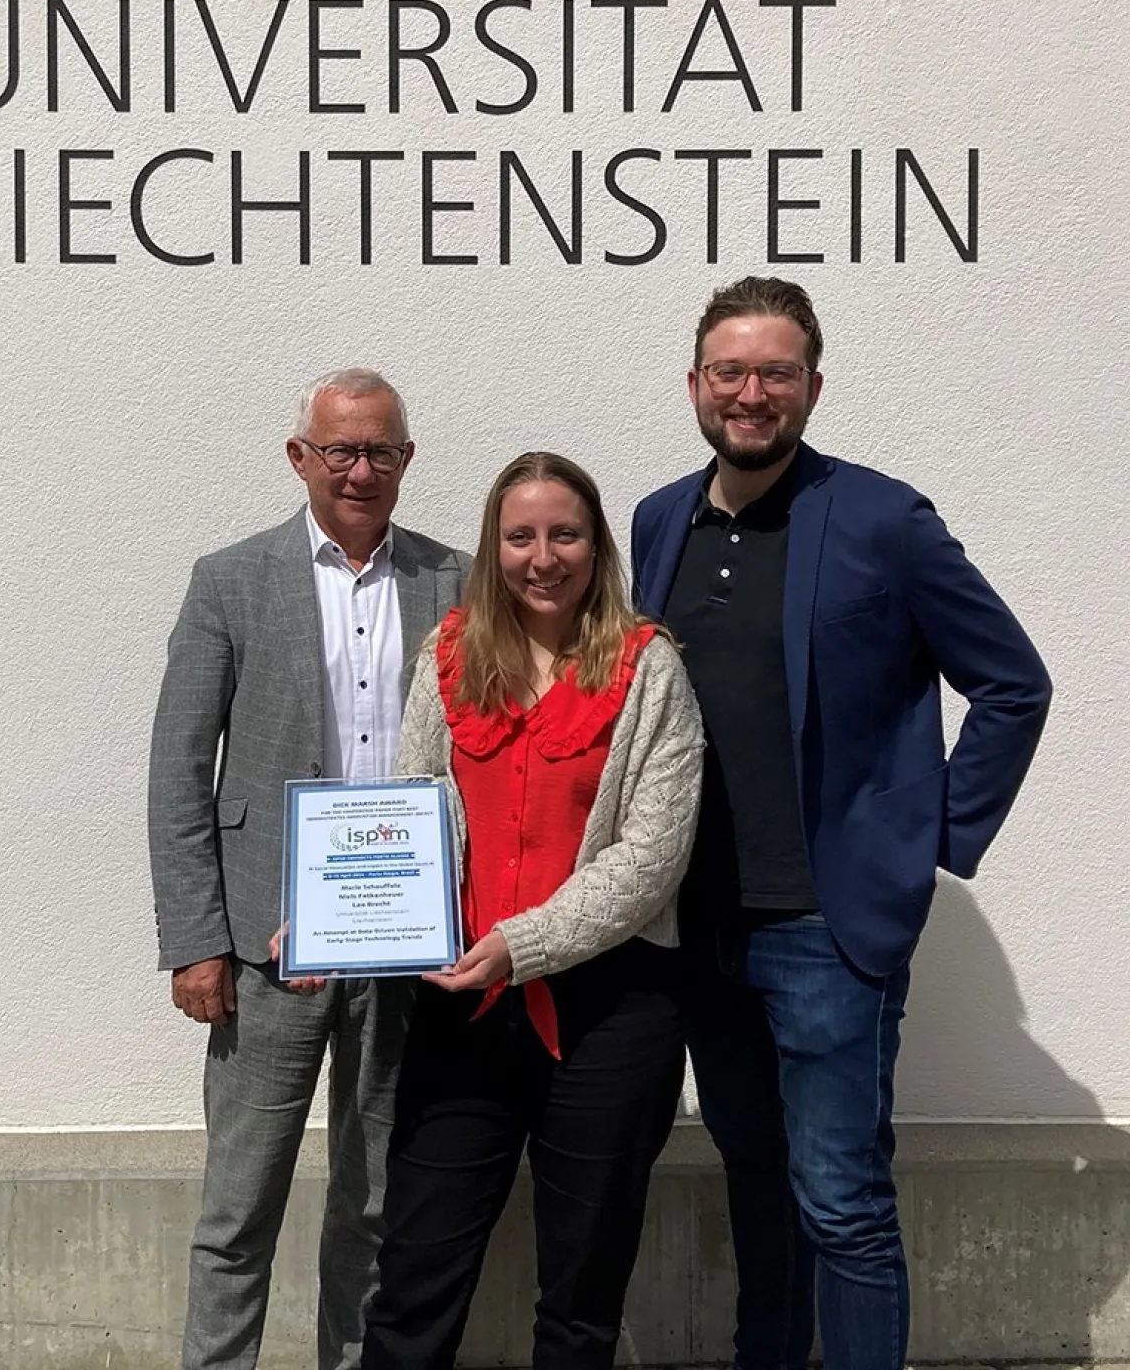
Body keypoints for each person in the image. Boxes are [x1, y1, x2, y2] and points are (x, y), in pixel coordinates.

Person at [630, 276, 1053, 1370]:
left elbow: (1013, 684)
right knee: (754, 1185)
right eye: (731, 370)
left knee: (842, 1202)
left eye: (776, 372)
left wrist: (936, 836)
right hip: (701, 928)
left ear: (813, 386)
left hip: (826, 929)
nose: (752, 393)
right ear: (695, 384)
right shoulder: (657, 520)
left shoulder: (885, 519)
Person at [148, 367, 470, 1370]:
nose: (361, 469)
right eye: (342, 450)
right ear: (302, 458)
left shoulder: (456, 582)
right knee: (239, 1209)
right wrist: (197, 941)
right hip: (262, 949)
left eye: (382, 451)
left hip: (408, 947)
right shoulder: (230, 581)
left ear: (407, 461)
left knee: (375, 1207)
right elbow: (178, 769)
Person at [355, 451, 704, 1370]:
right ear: (492, 546)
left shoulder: (649, 668)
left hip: (610, 1014)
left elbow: (652, 859)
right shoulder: (450, 655)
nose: (541, 556)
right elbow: (411, 807)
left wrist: (526, 943)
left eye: (564, 534)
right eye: (520, 536)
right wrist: (338, 915)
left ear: (596, 548)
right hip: (460, 1007)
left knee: (582, 1296)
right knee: (414, 1276)